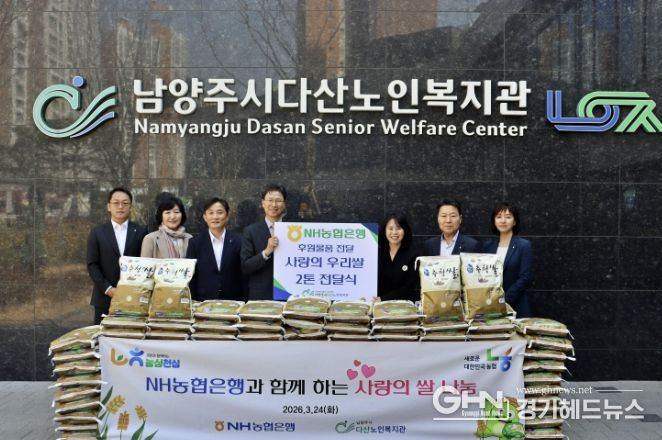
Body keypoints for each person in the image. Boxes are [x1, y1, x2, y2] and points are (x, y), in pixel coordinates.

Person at [87, 187, 147, 324]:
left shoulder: (141, 231)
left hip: (134, 298)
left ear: (130, 206)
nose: (120, 206)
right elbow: (92, 264)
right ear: (109, 206)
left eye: (125, 203)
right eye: (116, 203)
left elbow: (145, 262)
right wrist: (108, 289)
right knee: (103, 335)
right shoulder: (97, 232)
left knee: (130, 335)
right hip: (104, 298)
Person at [186, 197, 244, 301]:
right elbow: (191, 276)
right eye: (211, 213)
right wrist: (193, 301)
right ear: (205, 217)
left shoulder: (238, 241)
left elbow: (243, 274)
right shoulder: (195, 242)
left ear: (227, 216)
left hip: (233, 300)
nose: (215, 217)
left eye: (220, 212)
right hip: (204, 300)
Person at [483, 202, 533, 317]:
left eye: (508, 217)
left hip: (516, 305)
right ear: (494, 221)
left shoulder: (524, 245)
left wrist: (504, 300)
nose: (503, 221)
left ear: (514, 221)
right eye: (499, 217)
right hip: (491, 306)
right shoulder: (488, 246)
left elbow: (525, 278)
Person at [241, 184, 287, 300]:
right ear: (263, 203)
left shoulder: (296, 230)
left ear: (284, 204)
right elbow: (245, 267)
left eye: (278, 200)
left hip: (289, 294)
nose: (274, 205)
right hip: (261, 296)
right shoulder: (250, 231)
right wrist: (266, 252)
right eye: (270, 200)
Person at [377, 213, 419, 302]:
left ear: (405, 230)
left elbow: (409, 287)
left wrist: (383, 299)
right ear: (384, 230)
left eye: (398, 228)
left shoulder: (413, 254)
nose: (394, 232)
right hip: (377, 305)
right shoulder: (378, 253)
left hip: (404, 305)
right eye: (390, 228)